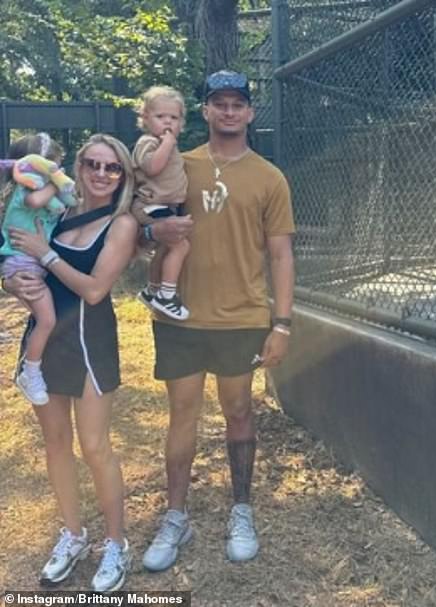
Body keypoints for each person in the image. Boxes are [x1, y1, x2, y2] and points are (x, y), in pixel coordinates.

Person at [142, 69, 295, 571]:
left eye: (237, 104)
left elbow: (281, 255)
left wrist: (282, 322)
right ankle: (175, 516)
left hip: (242, 317)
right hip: (180, 317)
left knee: (239, 413)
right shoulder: (177, 167)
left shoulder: (270, 177)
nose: (229, 111)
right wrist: (154, 233)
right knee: (181, 415)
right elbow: (141, 228)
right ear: (204, 111)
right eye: (218, 103)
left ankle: (242, 510)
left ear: (250, 112)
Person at [4, 134, 138, 592]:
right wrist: (15, 285)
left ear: (123, 175)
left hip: (89, 341)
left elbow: (95, 289)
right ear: (78, 168)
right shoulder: (57, 211)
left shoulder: (122, 225)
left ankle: (116, 544)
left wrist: (46, 252)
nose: (102, 174)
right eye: (93, 165)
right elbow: (23, 265)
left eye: (112, 168)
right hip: (45, 340)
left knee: (96, 446)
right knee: (56, 444)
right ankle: (74, 534)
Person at [0, 134, 78, 405]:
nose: (54, 173)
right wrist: (57, 181)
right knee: (46, 320)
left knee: (46, 320)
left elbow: (68, 204)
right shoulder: (26, 192)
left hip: (34, 264)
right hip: (23, 264)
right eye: (48, 167)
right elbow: (37, 202)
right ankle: (29, 371)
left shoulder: (46, 195)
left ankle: (32, 368)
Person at [131, 86, 190, 321]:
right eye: (160, 116)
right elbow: (152, 167)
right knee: (181, 245)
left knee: (167, 247)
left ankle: (151, 290)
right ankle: (166, 295)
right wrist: (167, 144)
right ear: (146, 118)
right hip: (150, 205)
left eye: (173, 118)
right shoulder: (148, 142)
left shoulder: (165, 143)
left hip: (165, 206)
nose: (168, 122)